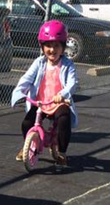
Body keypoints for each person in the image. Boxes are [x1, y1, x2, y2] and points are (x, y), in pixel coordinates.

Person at [10, 20, 78, 166]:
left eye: (56, 46)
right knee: (27, 123)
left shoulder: (68, 64)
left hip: (58, 102)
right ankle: (26, 146)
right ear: (42, 46)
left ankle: (62, 153)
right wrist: (19, 92)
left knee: (63, 120)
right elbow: (27, 78)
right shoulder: (39, 63)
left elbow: (72, 83)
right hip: (40, 102)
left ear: (63, 47)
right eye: (48, 45)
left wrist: (64, 94)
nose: (52, 50)